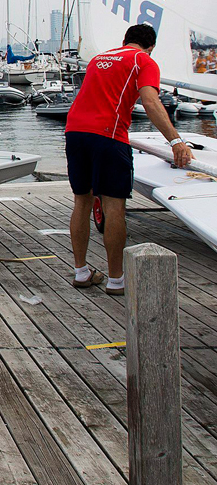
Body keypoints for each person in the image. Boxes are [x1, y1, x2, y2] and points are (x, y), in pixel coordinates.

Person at [64, 23, 192, 296]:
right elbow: (150, 101)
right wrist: (175, 140)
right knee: (113, 207)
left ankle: (81, 272)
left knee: (82, 200)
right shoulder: (142, 60)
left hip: (75, 131)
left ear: (124, 40)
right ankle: (116, 280)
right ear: (151, 47)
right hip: (108, 135)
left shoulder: (100, 59)